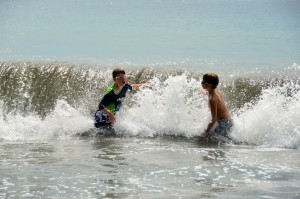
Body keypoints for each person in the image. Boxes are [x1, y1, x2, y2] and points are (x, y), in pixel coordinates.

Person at [200, 72, 233, 140]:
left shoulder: (212, 100)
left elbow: (213, 120)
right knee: (224, 140)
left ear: (208, 85)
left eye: (203, 81)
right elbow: (209, 91)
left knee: (210, 139)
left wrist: (206, 132)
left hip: (224, 124)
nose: (201, 83)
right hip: (228, 121)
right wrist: (206, 92)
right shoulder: (214, 91)